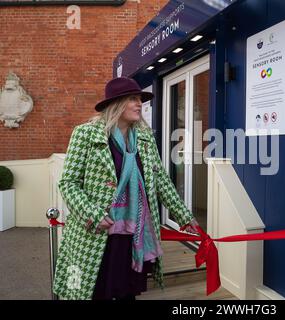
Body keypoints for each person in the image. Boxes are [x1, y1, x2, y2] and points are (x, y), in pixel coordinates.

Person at [53, 77, 199, 300]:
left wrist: (184, 217)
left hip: (133, 231)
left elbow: (160, 180)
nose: (139, 103)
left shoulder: (144, 137)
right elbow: (68, 183)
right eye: (133, 99)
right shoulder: (85, 134)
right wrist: (93, 213)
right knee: (90, 290)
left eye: (139, 99)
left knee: (126, 291)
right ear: (117, 104)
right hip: (97, 231)